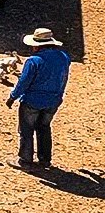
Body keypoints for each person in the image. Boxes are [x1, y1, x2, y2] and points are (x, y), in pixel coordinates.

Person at [6, 27, 71, 169]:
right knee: (44, 128)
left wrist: (12, 97)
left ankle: (25, 160)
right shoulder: (64, 57)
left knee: (27, 129)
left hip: (32, 101)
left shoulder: (34, 61)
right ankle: (45, 160)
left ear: (37, 45)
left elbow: (24, 82)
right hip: (53, 101)